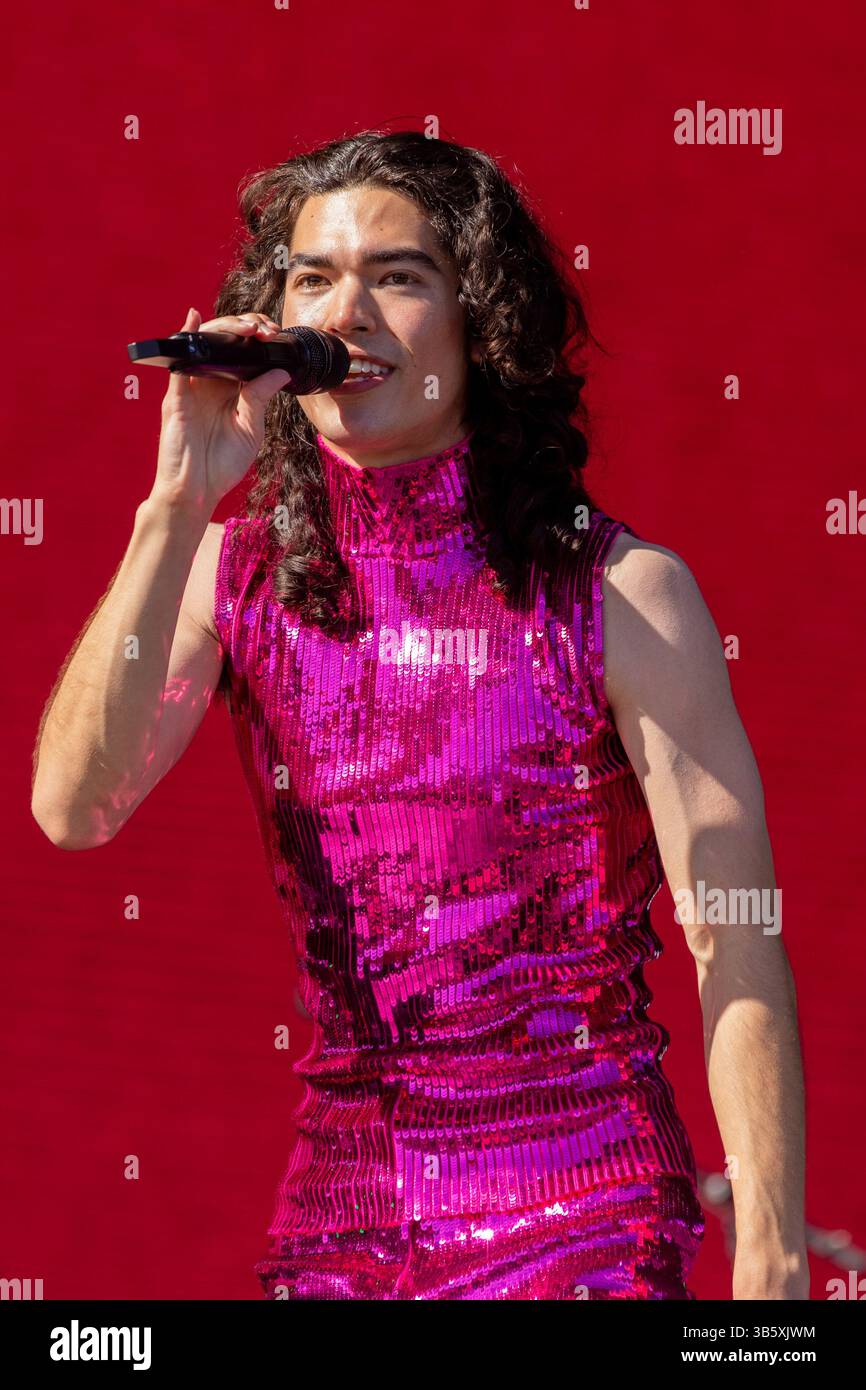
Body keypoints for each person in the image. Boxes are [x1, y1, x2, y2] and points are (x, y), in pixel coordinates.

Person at [31, 130, 808, 1300]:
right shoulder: (234, 573)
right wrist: (176, 501)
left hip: (580, 1222)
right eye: (311, 280)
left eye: (397, 275)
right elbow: (74, 809)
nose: (347, 313)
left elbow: (732, 940)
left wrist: (772, 1253)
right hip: (339, 1228)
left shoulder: (613, 593)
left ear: (478, 320)